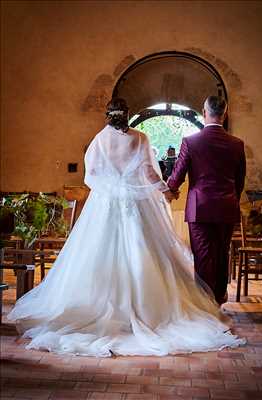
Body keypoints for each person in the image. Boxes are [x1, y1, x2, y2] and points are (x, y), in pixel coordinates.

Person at [7, 98, 245, 357]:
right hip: (138, 207)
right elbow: (149, 173)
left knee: (97, 254)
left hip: (106, 207)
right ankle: (178, 305)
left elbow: (92, 175)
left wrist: (113, 189)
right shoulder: (140, 138)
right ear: (128, 115)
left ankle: (98, 308)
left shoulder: (99, 140)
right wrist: (165, 190)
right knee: (149, 253)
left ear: (108, 116)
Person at [167, 96, 246, 305]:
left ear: (204, 112)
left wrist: (170, 189)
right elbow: (240, 181)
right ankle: (218, 299)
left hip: (199, 208)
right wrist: (230, 199)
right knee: (221, 254)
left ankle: (205, 304)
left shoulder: (191, 142)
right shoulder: (237, 145)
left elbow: (176, 177)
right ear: (225, 113)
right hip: (227, 207)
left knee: (203, 257)